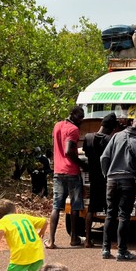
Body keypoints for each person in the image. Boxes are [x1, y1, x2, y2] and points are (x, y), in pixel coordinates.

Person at [100, 114, 136, 261]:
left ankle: (105, 249)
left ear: (132, 123)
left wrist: (107, 175)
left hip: (111, 180)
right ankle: (122, 252)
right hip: (128, 181)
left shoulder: (116, 136)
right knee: (123, 216)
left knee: (110, 214)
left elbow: (104, 158)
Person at [45, 106, 87, 249]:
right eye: (80, 118)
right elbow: (69, 151)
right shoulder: (73, 129)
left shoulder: (57, 125)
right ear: (73, 115)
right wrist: (82, 164)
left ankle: (51, 240)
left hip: (58, 171)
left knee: (56, 206)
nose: (81, 121)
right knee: (75, 206)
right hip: (71, 171)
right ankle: (74, 238)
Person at [82, 113, 118, 248]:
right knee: (111, 210)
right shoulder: (110, 140)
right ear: (112, 128)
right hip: (107, 179)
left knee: (91, 209)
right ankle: (111, 241)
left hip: (93, 178)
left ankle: (87, 240)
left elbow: (86, 154)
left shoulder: (88, 137)